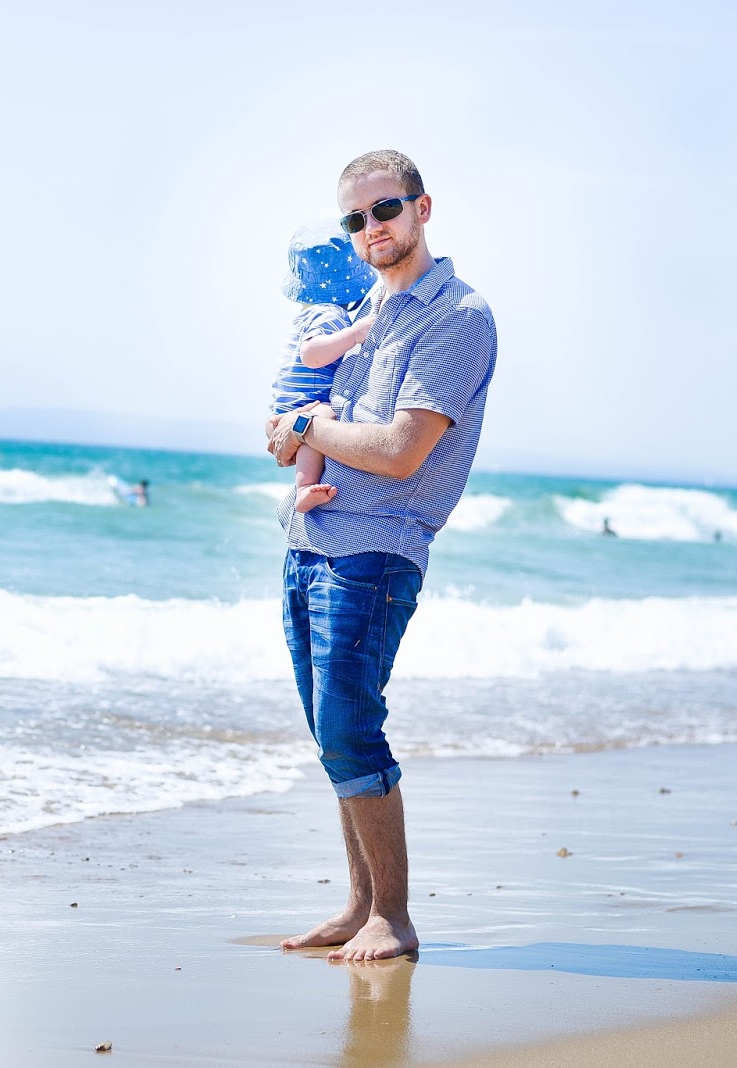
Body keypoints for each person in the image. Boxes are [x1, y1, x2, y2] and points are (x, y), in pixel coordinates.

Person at [266, 149, 497, 962]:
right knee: (332, 735)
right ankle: (361, 903)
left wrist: (305, 430)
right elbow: (293, 420)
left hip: (377, 548)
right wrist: (290, 433)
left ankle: (393, 918)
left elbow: (402, 451)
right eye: (355, 219)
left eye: (387, 210)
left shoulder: (458, 317)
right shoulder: (358, 310)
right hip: (310, 543)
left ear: (423, 208)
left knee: (350, 728)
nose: (373, 229)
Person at [273, 222, 380, 513]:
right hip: (304, 403)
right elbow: (311, 355)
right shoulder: (330, 314)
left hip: (286, 404)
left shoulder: (311, 313)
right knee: (323, 417)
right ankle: (305, 488)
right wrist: (355, 335)